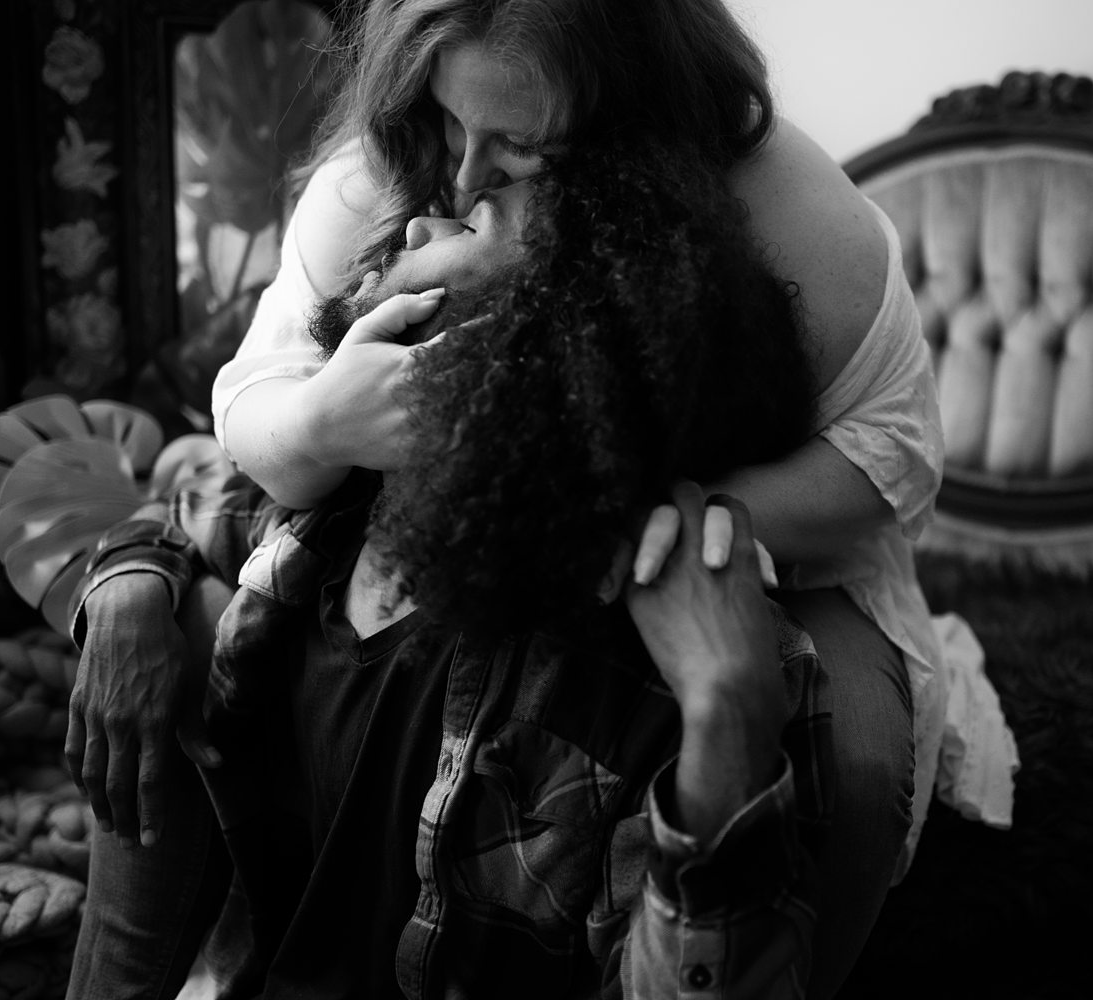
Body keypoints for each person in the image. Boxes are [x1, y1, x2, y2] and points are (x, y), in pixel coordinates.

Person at [207, 4, 948, 990]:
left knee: (851, 768)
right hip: (501, 520)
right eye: (448, 119)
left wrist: (639, 522)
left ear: (632, 113)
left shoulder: (796, 215)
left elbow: (894, 459)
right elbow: (248, 405)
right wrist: (316, 426)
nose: (460, 179)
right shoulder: (379, 178)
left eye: (521, 145)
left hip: (783, 551)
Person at [69, 140, 834, 997]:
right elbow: (174, 519)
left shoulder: (667, 676)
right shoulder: (332, 505)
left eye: (467, 225)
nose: (415, 224)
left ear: (533, 338)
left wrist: (730, 717)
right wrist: (127, 596)